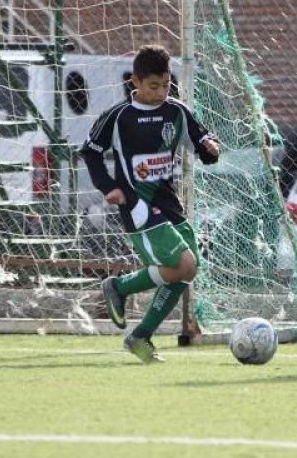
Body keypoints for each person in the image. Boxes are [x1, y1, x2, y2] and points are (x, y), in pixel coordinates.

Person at [79, 44, 221, 363]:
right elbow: (90, 152)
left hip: (168, 202)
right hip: (137, 204)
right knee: (183, 264)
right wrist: (109, 187)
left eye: (166, 84)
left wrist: (210, 148)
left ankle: (139, 334)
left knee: (185, 271)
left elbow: (201, 141)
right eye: (153, 86)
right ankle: (121, 287)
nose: (160, 92)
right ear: (136, 83)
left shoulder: (177, 111)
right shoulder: (118, 117)